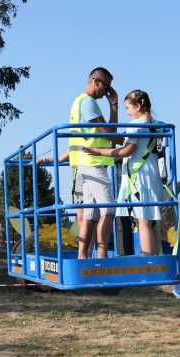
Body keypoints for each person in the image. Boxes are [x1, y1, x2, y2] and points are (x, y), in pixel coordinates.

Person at [83, 89, 163, 256]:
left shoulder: (136, 126)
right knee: (149, 220)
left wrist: (99, 151)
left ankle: (148, 261)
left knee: (143, 220)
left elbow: (127, 150)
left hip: (139, 177)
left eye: (128, 108)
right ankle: (155, 259)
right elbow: (123, 140)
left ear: (138, 106)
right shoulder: (154, 124)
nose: (127, 112)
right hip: (151, 174)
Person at [68, 67, 122, 259]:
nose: (107, 91)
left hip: (82, 165)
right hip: (92, 163)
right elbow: (110, 134)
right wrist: (114, 107)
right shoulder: (88, 103)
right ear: (95, 81)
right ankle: (101, 257)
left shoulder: (78, 102)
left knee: (90, 216)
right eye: (106, 86)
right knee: (108, 210)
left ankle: (83, 258)